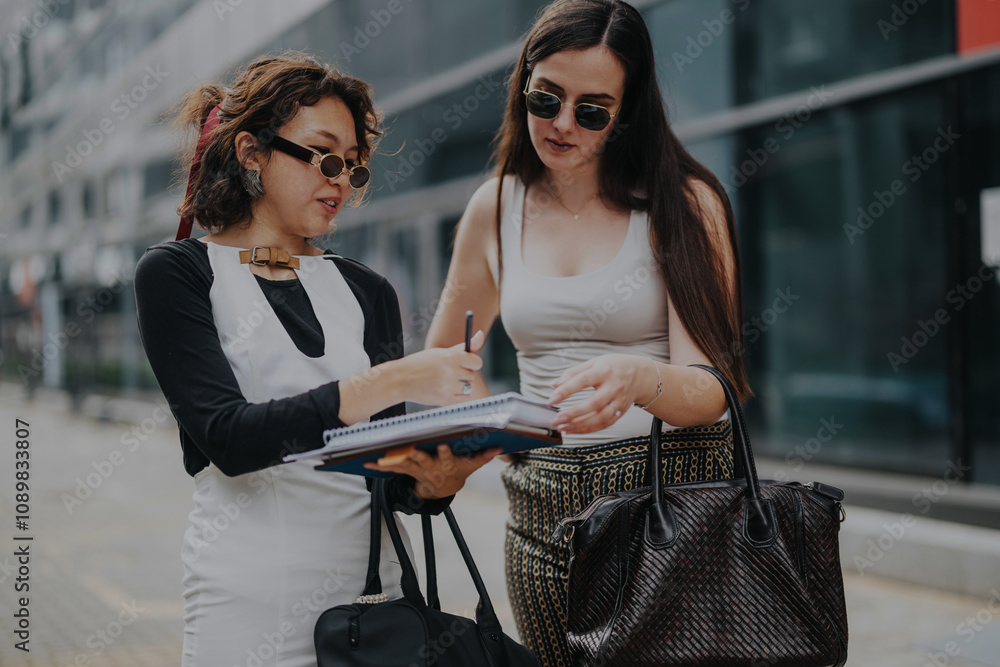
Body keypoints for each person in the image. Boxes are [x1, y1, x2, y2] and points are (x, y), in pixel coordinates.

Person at [133, 52, 499, 667]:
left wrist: (437, 483)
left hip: (378, 611)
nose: (340, 179)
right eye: (325, 156)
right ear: (252, 153)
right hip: (247, 611)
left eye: (353, 168)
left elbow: (390, 478)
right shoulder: (178, 273)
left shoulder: (366, 290)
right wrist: (396, 377)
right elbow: (229, 438)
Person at [424, 1, 753, 664]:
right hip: (541, 506)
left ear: (626, 112)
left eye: (592, 109)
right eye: (546, 98)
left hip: (668, 501)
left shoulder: (685, 203)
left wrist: (636, 379)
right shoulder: (494, 207)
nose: (563, 124)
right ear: (522, 86)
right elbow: (444, 358)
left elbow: (713, 390)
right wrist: (488, 417)